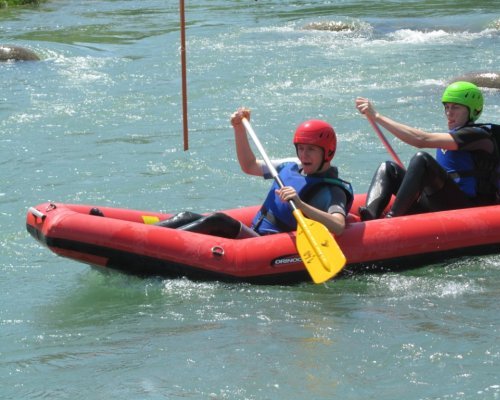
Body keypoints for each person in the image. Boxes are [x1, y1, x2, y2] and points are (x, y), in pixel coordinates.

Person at [156, 108, 354, 238]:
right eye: (300, 148)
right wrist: (239, 129)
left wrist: (300, 205)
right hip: (255, 232)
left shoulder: (332, 190)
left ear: (328, 152)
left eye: (310, 149)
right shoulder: (292, 165)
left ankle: (156, 244)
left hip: (270, 243)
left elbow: (338, 225)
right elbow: (249, 165)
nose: (304, 155)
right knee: (186, 216)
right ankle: (147, 237)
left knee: (217, 220)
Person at [356, 81, 499, 221]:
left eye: (456, 107)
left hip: (469, 208)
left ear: (475, 111)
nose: (449, 113)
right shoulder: (453, 136)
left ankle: (391, 220)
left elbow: (421, 140)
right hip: (442, 203)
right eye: (447, 107)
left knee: (422, 159)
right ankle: (369, 216)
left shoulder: (478, 136)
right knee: (389, 168)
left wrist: (377, 116)